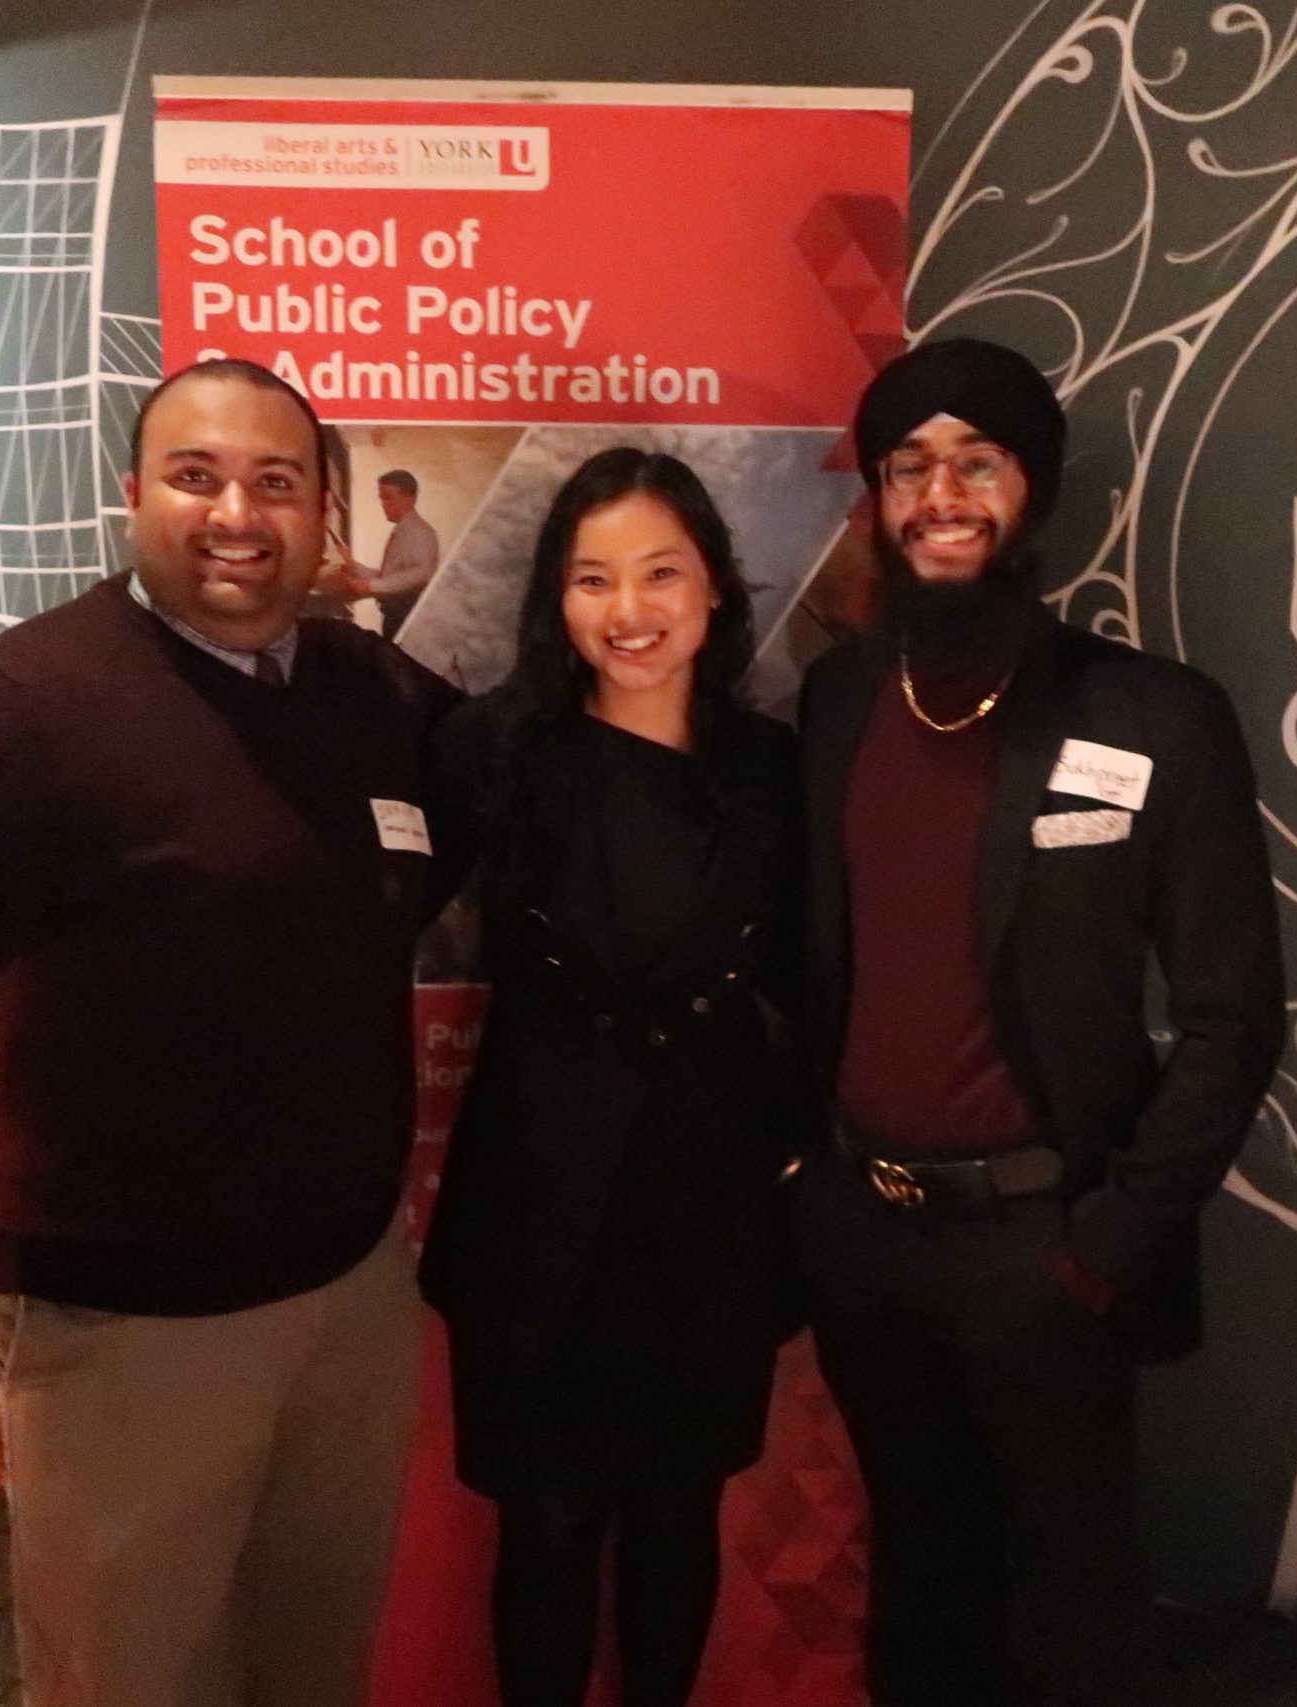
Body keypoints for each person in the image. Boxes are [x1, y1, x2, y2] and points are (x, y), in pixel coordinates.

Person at [0, 358, 460, 1707]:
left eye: (276, 482)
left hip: (346, 1300)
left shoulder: (373, 698)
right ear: (134, 494)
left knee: (316, 1673)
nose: (237, 515)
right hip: (115, 1331)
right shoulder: (14, 714)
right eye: (196, 476)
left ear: (323, 512)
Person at [790, 338, 1287, 1707]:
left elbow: (1234, 1015)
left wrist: (1106, 1239)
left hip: (1045, 1251)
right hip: (865, 1240)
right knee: (920, 1594)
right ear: (879, 500)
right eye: (908, 468)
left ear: (1034, 489)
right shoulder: (838, 699)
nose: (941, 496)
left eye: (978, 462)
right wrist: (804, 1186)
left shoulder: (1156, 715)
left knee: (1079, 1616)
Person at [420, 448, 800, 1707]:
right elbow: (360, 915)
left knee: (678, 1513)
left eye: (659, 574)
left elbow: (817, 983)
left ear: (713, 588)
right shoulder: (488, 752)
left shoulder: (771, 768)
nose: (627, 611)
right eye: (592, 579)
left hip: (710, 1213)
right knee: (546, 1523)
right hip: (536, 1214)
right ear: (555, 597)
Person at [347, 467, 439, 637]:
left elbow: (421, 574)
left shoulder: (419, 532)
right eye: (382, 499)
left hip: (407, 615)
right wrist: (356, 569)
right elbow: (394, 575)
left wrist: (371, 586)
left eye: (388, 498)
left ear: (410, 498)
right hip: (396, 614)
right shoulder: (403, 530)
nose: (383, 505)